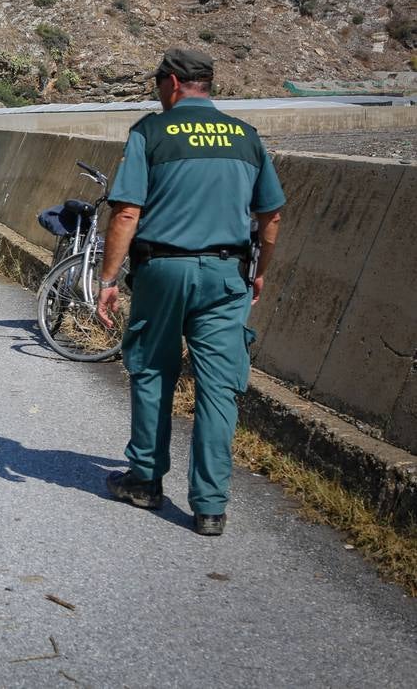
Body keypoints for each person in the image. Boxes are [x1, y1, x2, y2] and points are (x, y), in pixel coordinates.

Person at [96, 48, 285, 537]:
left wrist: (108, 279)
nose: (157, 91)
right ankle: (210, 508)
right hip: (227, 277)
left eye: (158, 82)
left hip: (163, 271)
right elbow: (272, 216)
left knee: (153, 371)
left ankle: (144, 481)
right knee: (219, 389)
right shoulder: (246, 137)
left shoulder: (150, 133)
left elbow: (126, 213)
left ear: (174, 83)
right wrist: (261, 270)